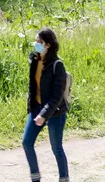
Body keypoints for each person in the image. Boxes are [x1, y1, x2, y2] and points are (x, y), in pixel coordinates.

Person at [22, 28, 70, 182]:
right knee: (26, 143)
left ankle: (64, 178)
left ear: (48, 45)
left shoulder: (57, 65)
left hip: (55, 111)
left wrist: (44, 115)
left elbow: (56, 96)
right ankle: (35, 178)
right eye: (35, 41)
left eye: (38, 42)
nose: (35, 44)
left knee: (56, 148)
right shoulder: (34, 60)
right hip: (37, 107)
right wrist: (35, 110)